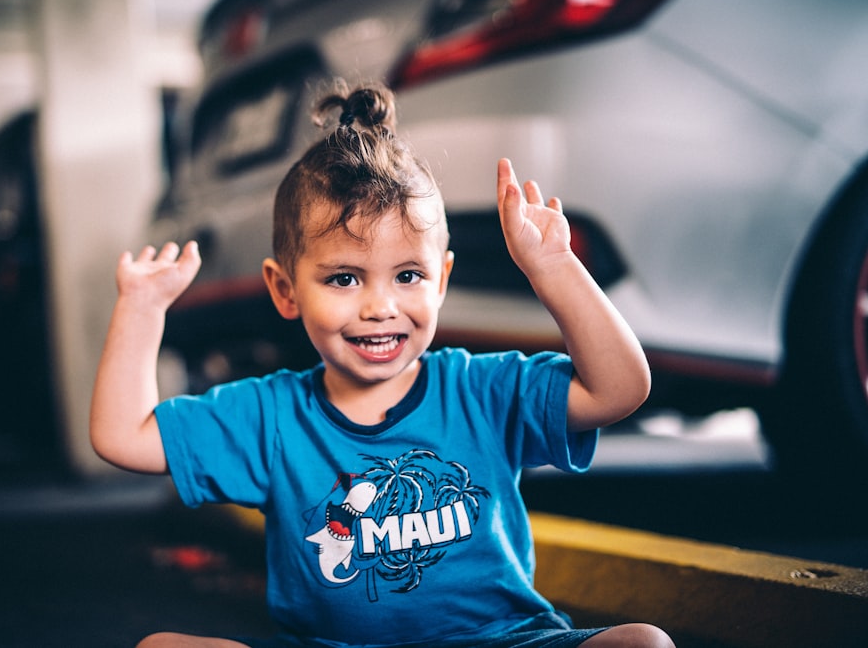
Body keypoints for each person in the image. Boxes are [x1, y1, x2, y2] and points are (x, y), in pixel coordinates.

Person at [90, 81, 674, 648]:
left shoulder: (481, 390)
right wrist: (141, 310)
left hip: (499, 641)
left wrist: (555, 269)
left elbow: (620, 389)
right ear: (285, 290)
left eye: (408, 276)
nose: (380, 307)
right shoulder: (270, 415)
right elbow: (123, 438)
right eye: (344, 278)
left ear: (441, 280)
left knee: (643, 643)